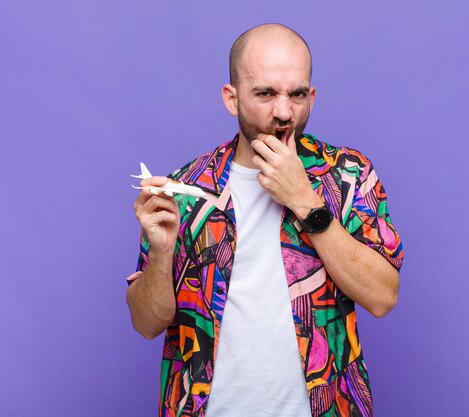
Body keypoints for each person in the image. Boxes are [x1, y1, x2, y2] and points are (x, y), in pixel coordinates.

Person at [126, 23, 404, 417]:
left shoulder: (348, 175)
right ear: (231, 98)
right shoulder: (186, 191)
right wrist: (161, 253)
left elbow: (383, 296)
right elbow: (146, 323)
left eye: (297, 94)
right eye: (265, 94)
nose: (284, 112)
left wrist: (306, 202)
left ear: (312, 95)